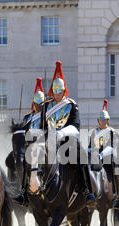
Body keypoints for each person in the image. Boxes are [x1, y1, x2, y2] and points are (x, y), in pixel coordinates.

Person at [41, 61, 96, 208]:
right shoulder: (46, 105)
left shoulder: (71, 105)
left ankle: (88, 190)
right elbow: (42, 126)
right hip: (49, 140)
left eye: (60, 91)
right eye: (55, 91)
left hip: (67, 141)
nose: (57, 94)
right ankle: (26, 191)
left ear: (64, 91)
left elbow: (76, 126)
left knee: (81, 156)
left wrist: (60, 133)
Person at [13, 78, 45, 206]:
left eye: (42, 104)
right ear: (33, 103)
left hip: (44, 145)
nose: (39, 106)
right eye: (37, 103)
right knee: (22, 161)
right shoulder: (28, 117)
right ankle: (23, 193)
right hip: (30, 147)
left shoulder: (47, 116)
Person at [89, 99, 119, 211]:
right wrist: (89, 151)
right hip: (96, 157)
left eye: (104, 119)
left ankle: (117, 194)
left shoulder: (112, 131)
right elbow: (90, 145)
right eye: (100, 119)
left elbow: (113, 147)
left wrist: (102, 154)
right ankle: (88, 192)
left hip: (108, 156)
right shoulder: (94, 132)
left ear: (108, 120)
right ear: (98, 120)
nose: (102, 121)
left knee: (114, 169)